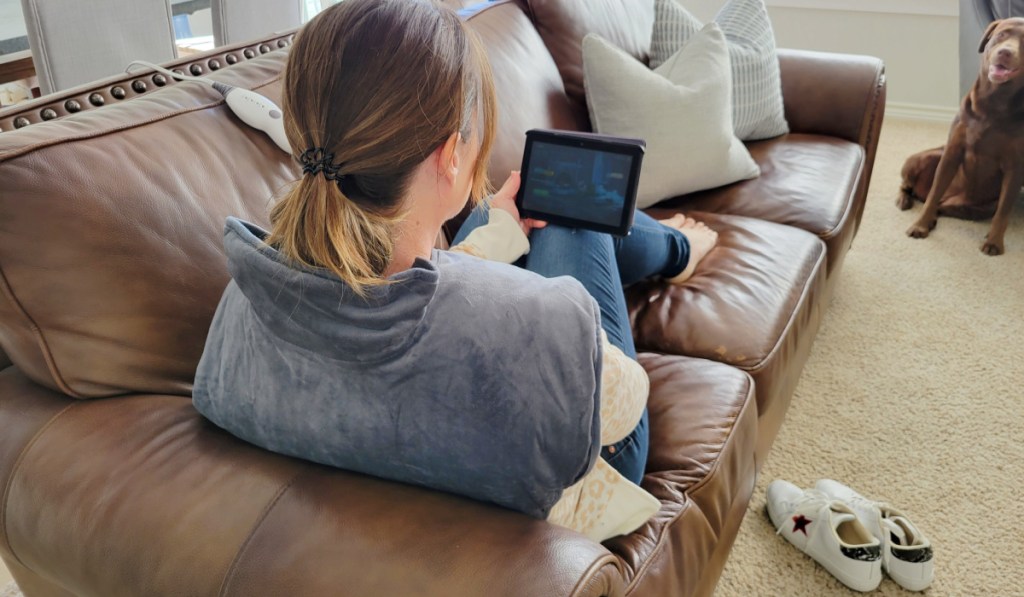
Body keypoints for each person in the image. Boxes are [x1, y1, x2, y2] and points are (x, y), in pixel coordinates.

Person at [192, 0, 717, 536]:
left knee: (523, 215)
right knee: (569, 214)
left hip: (419, 417)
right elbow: (625, 402)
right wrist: (542, 307)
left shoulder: (244, 296)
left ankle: (670, 245)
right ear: (449, 155)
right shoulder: (540, 323)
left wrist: (492, 241)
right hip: (572, 467)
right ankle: (678, 249)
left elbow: (396, 307)